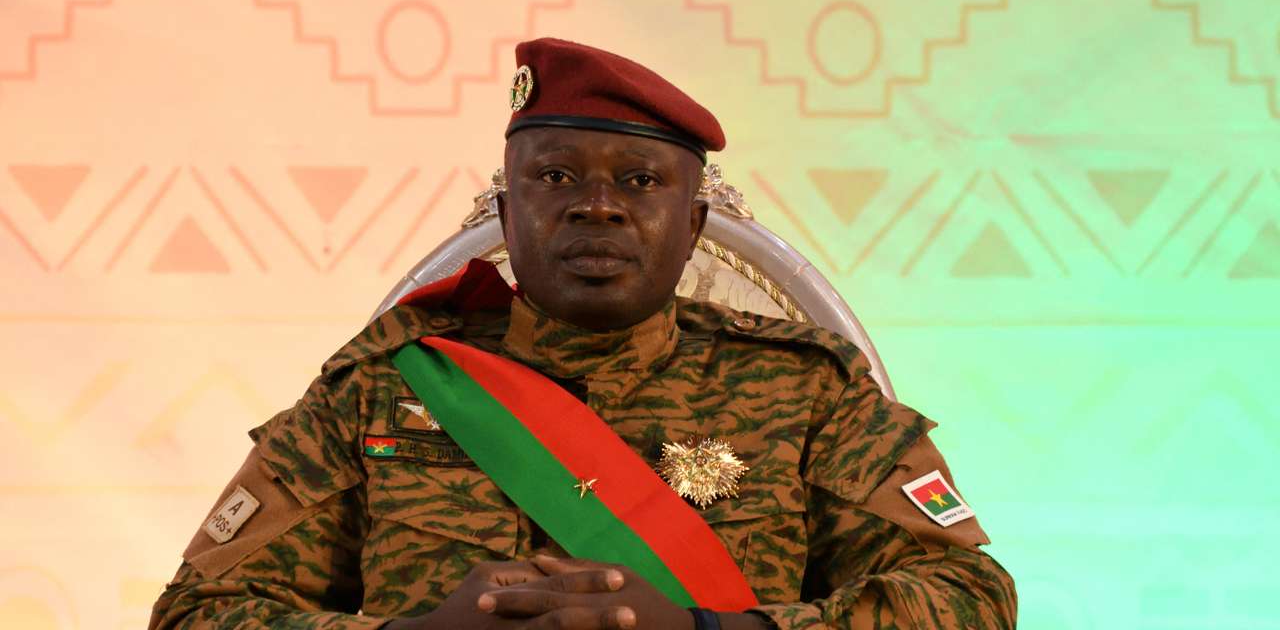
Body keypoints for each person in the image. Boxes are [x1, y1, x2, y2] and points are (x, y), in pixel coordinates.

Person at [149, 38, 1016, 630]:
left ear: (695, 220)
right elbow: (195, 613)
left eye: (638, 180)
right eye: (555, 174)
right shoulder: (386, 388)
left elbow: (970, 600)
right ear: (506, 207)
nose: (594, 204)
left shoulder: (809, 392)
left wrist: (709, 628)